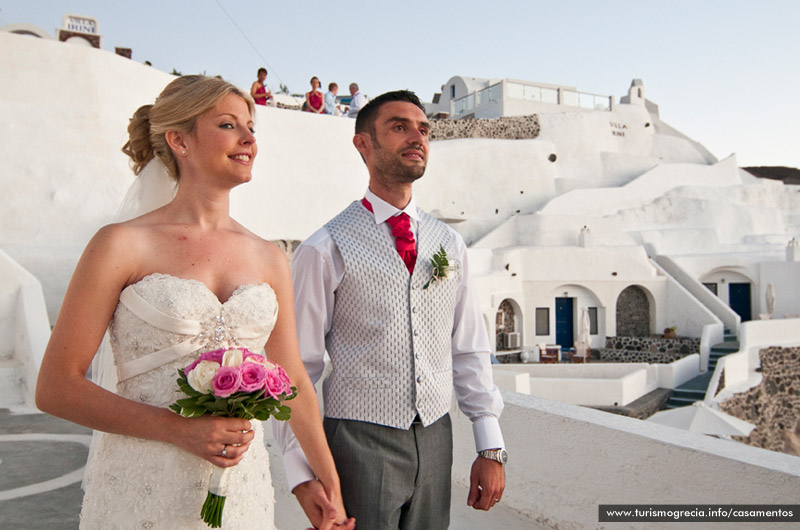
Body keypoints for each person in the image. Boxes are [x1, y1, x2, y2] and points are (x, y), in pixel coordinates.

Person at [35, 75, 353, 530]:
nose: (248, 139)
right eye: (229, 125)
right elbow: (55, 387)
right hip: (142, 488)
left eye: (252, 128)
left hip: (242, 491)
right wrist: (176, 428)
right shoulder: (120, 245)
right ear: (179, 140)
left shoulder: (270, 256)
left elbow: (293, 377)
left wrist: (329, 480)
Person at [274, 90, 506, 530]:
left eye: (423, 129)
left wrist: (489, 444)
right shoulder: (323, 249)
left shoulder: (450, 243)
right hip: (357, 440)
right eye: (399, 126)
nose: (416, 137)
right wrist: (301, 473)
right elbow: (297, 371)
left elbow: (468, 348)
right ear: (363, 144)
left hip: (438, 437)